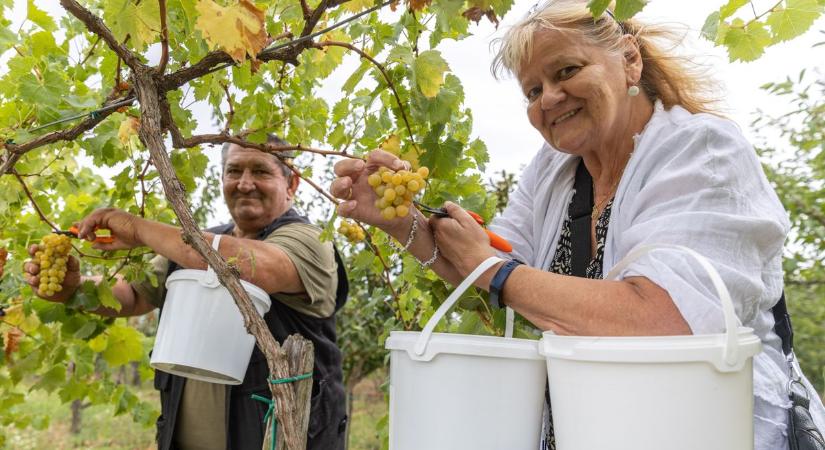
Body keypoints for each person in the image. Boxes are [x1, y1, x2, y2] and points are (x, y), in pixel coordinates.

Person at [330, 1, 825, 449]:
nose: (548, 98)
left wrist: (496, 272)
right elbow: (485, 267)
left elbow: (667, 319)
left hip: (704, 430)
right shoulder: (553, 171)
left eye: (566, 70)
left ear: (629, 60)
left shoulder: (703, 152)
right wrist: (404, 223)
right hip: (596, 428)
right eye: (532, 90)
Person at [25, 136, 349, 450]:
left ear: (291, 185)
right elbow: (132, 295)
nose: (245, 183)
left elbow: (249, 265)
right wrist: (74, 289)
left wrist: (139, 229)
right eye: (234, 171)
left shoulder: (309, 241)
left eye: (261, 171)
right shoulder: (197, 244)